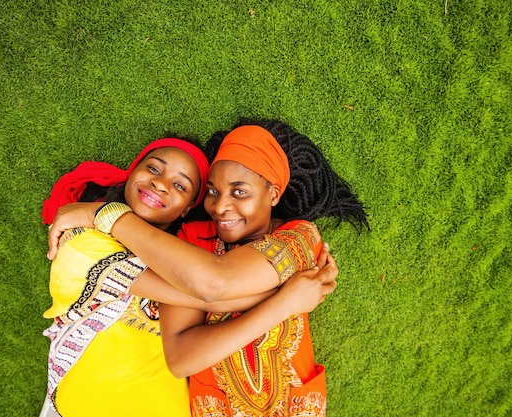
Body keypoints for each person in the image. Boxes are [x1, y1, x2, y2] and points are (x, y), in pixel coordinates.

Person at [48, 120, 368, 416]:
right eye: (213, 192)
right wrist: (284, 301)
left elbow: (214, 286)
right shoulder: (188, 243)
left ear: (273, 193)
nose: (220, 206)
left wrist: (105, 213)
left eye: (239, 191)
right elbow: (186, 348)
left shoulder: (299, 237)